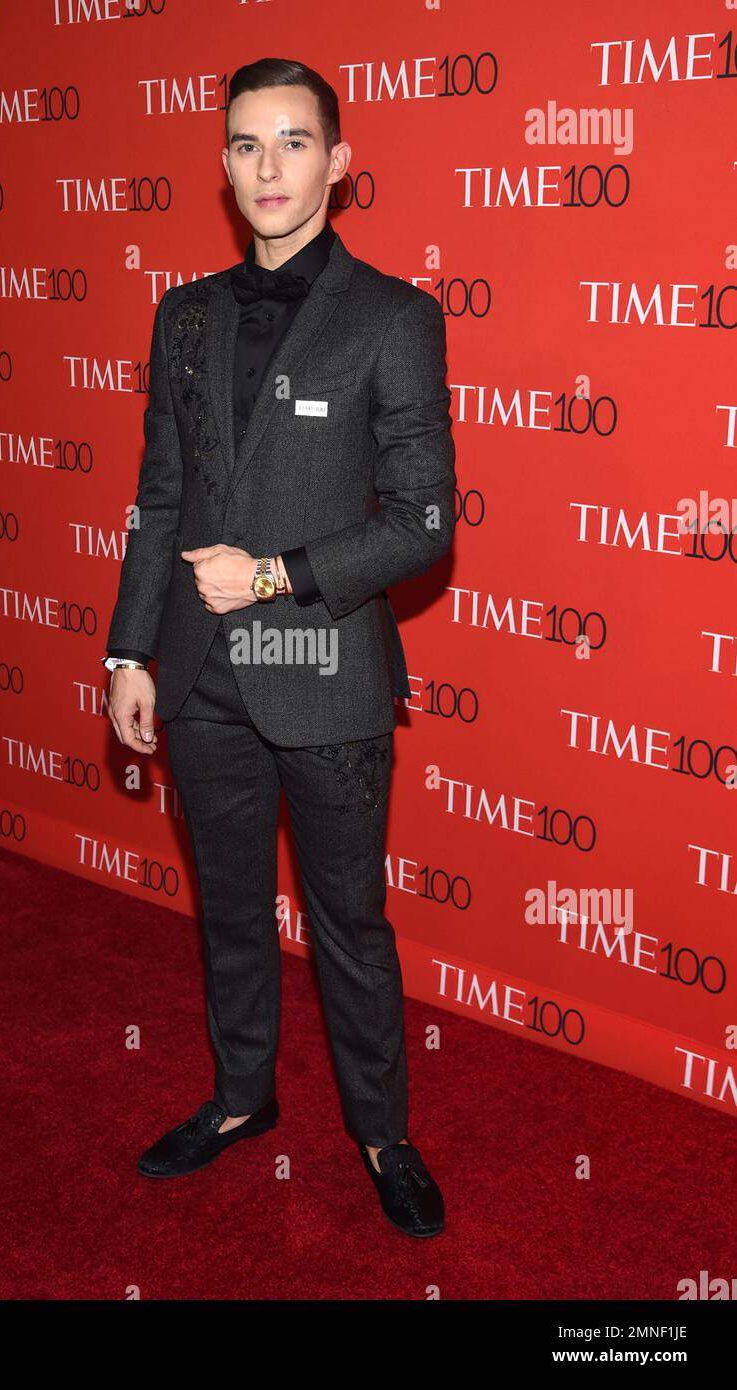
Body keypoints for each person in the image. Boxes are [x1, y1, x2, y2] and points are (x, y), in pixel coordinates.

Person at [104, 57, 456, 1238]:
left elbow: (420, 521)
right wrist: (128, 656)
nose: (268, 167)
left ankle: (381, 1131)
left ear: (338, 163)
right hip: (198, 672)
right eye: (247, 144)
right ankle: (241, 1098)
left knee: (350, 924)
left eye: (294, 142)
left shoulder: (396, 317)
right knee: (232, 912)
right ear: (222, 164)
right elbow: (161, 497)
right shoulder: (186, 313)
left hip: (328, 669)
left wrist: (275, 574)